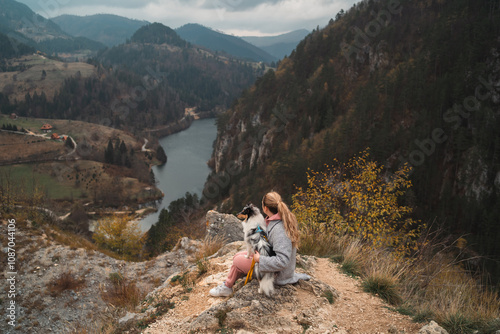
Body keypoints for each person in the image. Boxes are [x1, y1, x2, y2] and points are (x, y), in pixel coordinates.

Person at [209, 191, 310, 297]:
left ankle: (227, 286)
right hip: (271, 265)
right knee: (239, 255)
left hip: (276, 275)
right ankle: (228, 285)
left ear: (265, 208)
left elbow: (283, 261)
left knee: (237, 260)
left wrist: (259, 259)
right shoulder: (276, 221)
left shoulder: (279, 230)